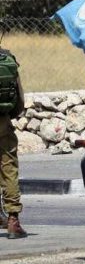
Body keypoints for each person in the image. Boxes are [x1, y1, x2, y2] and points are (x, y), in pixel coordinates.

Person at [0, 48, 26, 239]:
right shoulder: (7, 58)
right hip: (2, 122)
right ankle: (12, 221)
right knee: (8, 167)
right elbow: (19, 100)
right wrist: (8, 116)